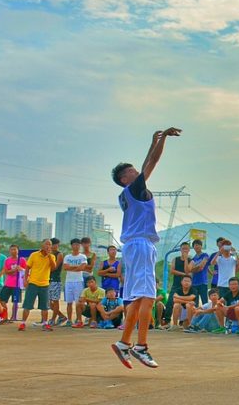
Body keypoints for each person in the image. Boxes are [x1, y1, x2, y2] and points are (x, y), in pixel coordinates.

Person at [108, 128, 180, 368]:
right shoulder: (134, 189)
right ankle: (141, 346)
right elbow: (153, 161)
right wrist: (163, 141)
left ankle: (123, 343)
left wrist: (154, 141)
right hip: (140, 245)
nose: (135, 171)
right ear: (124, 180)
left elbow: (147, 160)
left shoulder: (129, 193)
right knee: (148, 296)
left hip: (134, 246)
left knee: (137, 300)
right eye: (130, 171)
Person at [20, 239, 57, 332]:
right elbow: (27, 267)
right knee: (27, 304)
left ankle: (45, 323)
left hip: (45, 284)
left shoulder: (52, 256)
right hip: (33, 283)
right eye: (47, 244)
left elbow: (53, 268)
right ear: (42, 245)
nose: (48, 246)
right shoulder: (34, 255)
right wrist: (25, 279)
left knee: (44, 306)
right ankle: (23, 323)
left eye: (50, 244)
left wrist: (49, 256)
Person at [63, 240, 90, 327]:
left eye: (78, 245)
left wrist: (72, 268)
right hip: (69, 281)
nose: (76, 246)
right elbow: (65, 267)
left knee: (78, 302)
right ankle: (69, 320)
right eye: (74, 245)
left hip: (78, 281)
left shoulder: (82, 256)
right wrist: (76, 267)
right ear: (71, 246)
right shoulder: (67, 257)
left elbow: (82, 267)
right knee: (69, 302)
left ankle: (79, 320)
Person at [0, 245, 26, 321]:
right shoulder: (7, 260)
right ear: (9, 251)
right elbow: (6, 271)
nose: (13, 251)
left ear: (18, 250)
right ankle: (5, 315)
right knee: (2, 300)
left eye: (15, 249)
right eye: (12, 249)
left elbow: (26, 271)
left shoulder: (22, 260)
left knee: (15, 301)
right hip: (8, 283)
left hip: (17, 284)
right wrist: (14, 270)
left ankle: (13, 316)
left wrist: (21, 269)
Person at [47, 238, 67, 326]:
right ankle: (61, 316)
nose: (54, 246)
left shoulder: (59, 254)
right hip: (47, 279)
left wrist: (44, 269)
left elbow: (55, 267)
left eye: (56, 244)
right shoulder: (48, 254)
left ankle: (53, 319)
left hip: (55, 279)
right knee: (48, 302)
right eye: (53, 244)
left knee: (55, 301)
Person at [188, 240, 208, 305]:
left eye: (198, 245)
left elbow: (202, 266)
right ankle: (196, 315)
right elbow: (190, 270)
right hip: (194, 283)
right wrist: (197, 267)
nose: (196, 247)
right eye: (195, 245)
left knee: (205, 302)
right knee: (194, 303)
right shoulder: (193, 258)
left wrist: (194, 268)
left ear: (201, 246)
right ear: (193, 247)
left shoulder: (205, 255)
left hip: (203, 282)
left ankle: (206, 314)